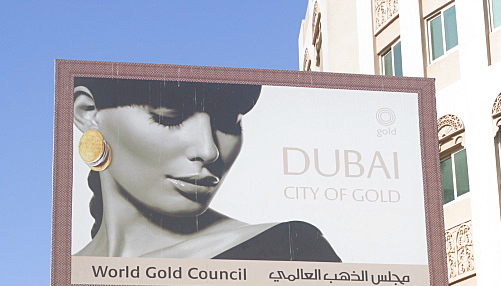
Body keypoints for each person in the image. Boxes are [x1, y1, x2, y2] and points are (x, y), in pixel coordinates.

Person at [72, 76, 340, 263]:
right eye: (170, 118)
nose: (209, 150)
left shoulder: (289, 249)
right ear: (87, 112)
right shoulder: (73, 271)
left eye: (228, 123)